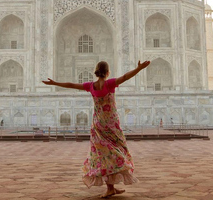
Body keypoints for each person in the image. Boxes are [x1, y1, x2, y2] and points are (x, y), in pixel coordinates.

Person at [43, 60, 150, 198]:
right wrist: (139, 68)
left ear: (96, 71)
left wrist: (55, 83)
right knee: (118, 151)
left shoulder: (91, 86)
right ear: (107, 72)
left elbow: (71, 85)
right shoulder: (109, 84)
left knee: (103, 155)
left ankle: (110, 187)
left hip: (98, 125)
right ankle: (111, 186)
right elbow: (125, 77)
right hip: (111, 124)